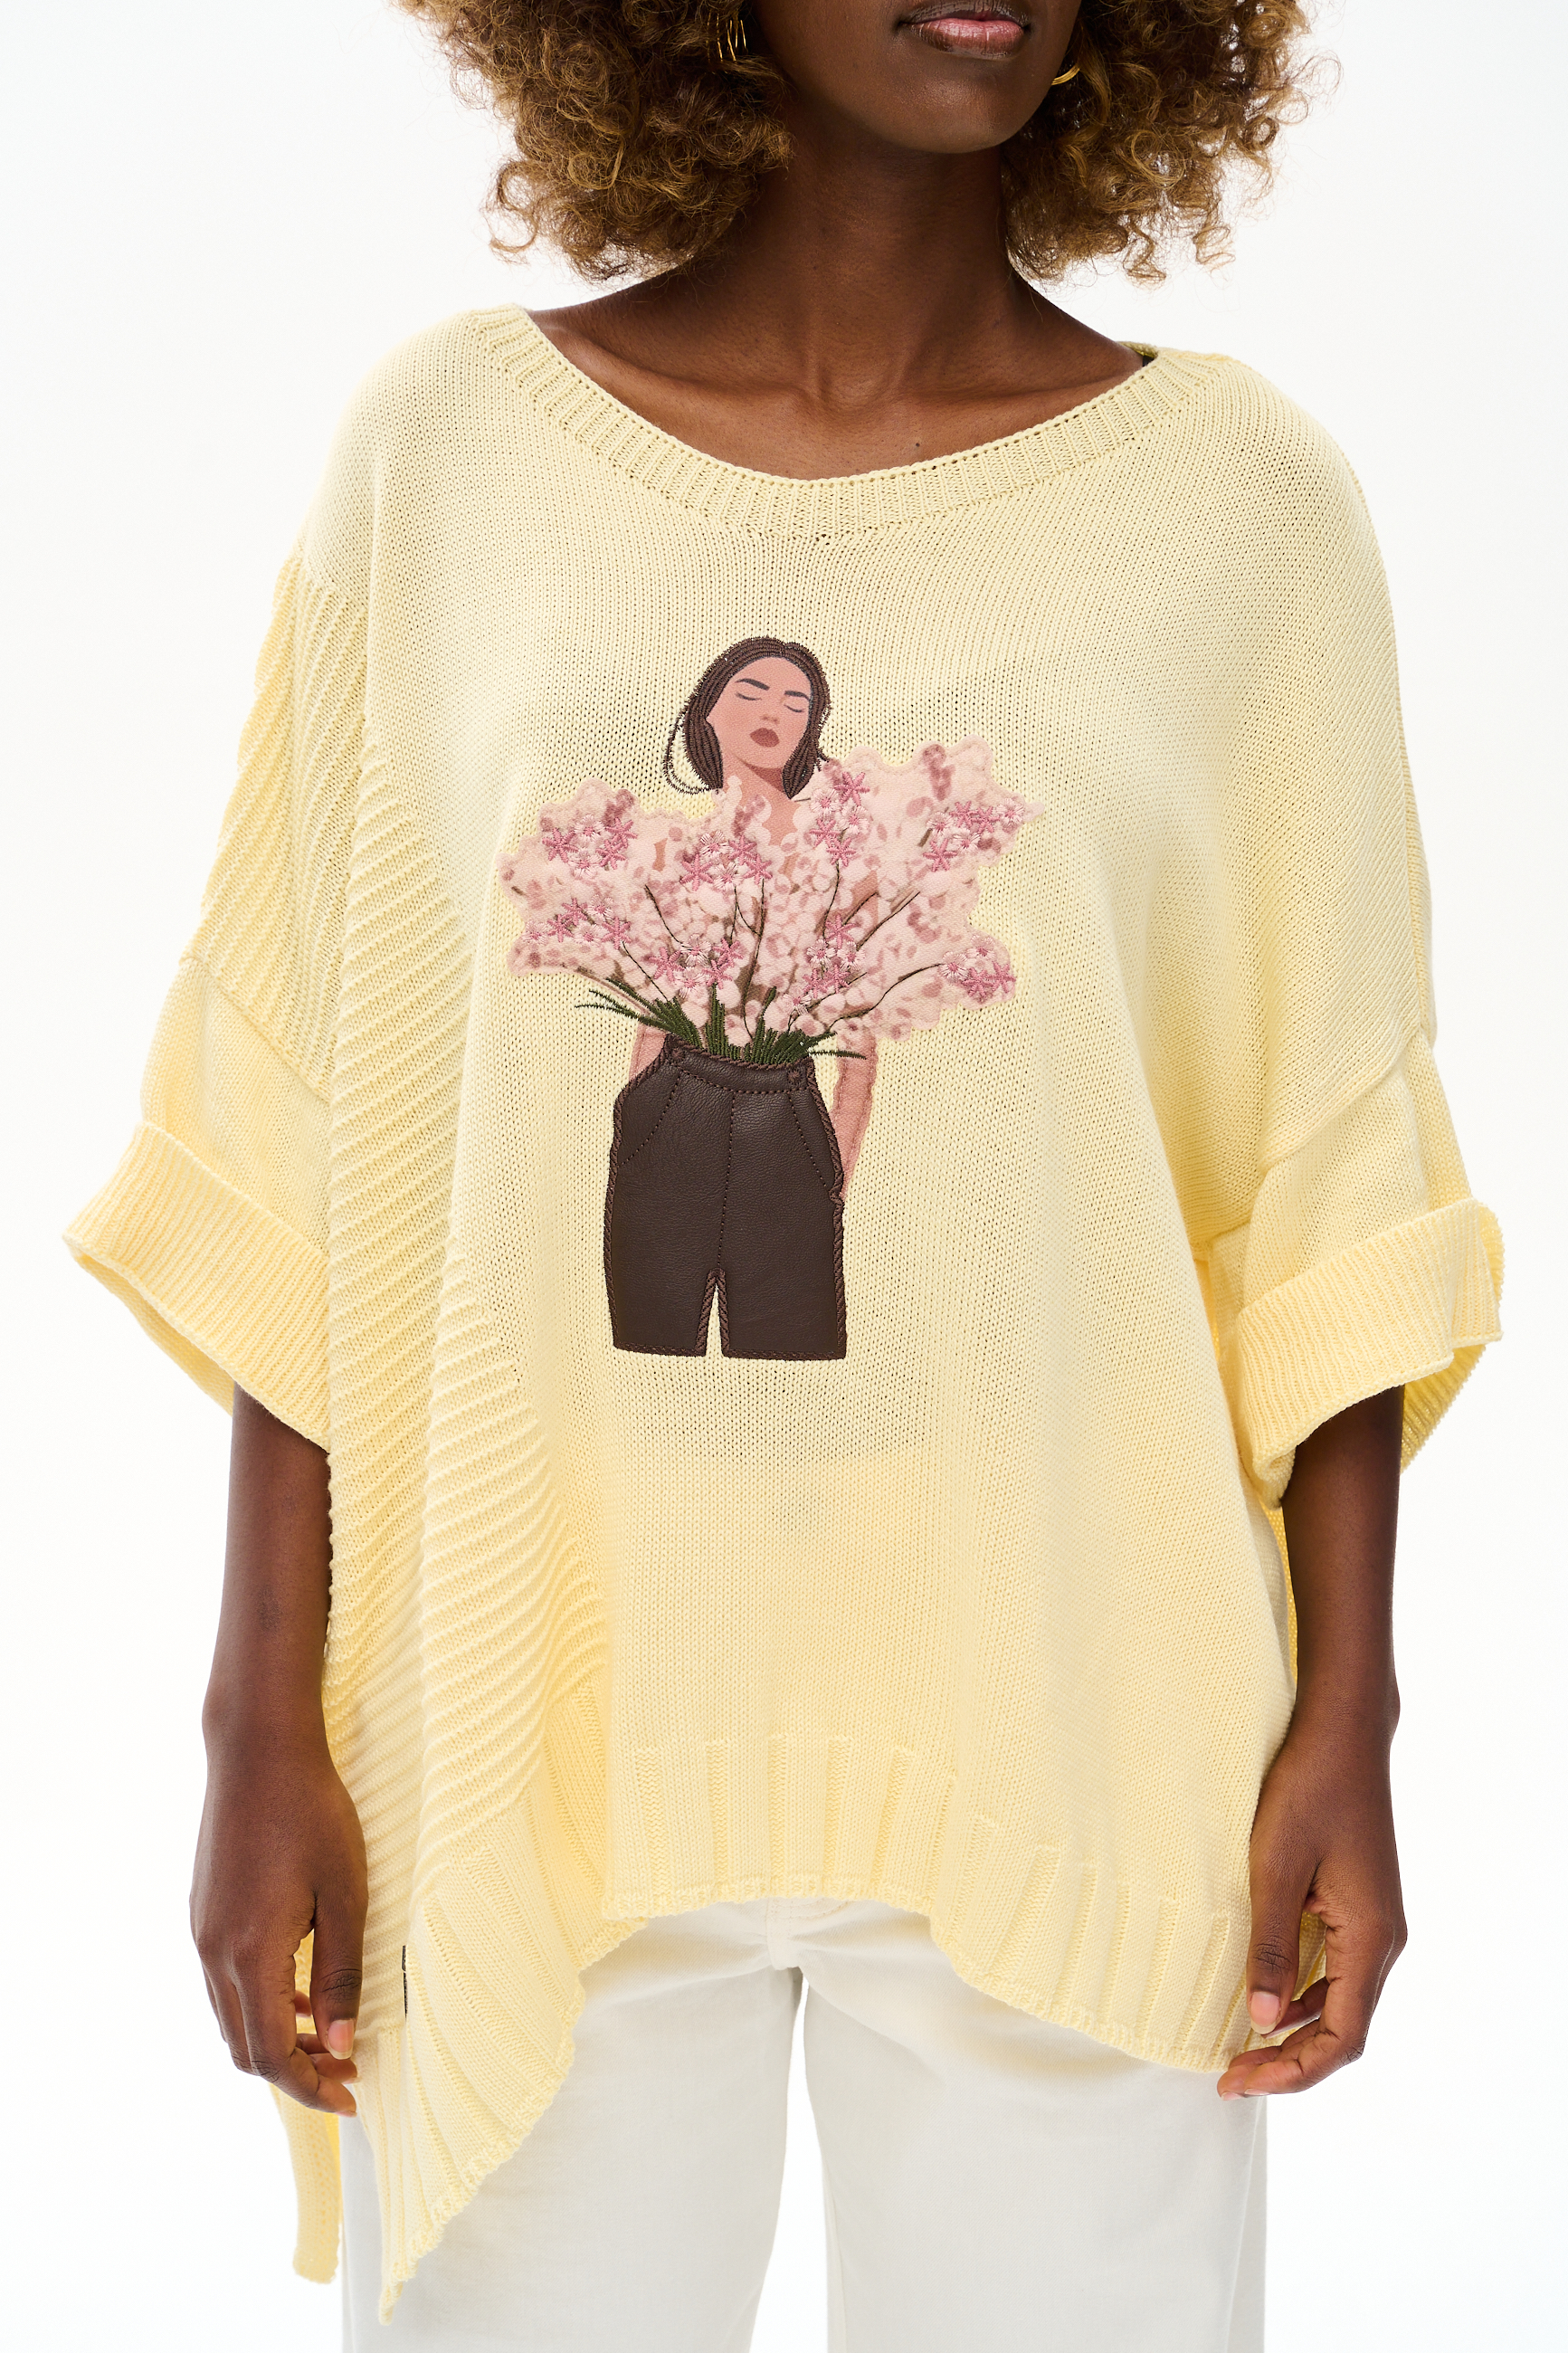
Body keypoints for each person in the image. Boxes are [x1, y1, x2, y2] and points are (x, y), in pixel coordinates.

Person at [64, 4, 1503, 2348]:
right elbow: (313, 1130)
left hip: (1073, 1705)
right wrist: (261, 1715)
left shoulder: (1244, 509)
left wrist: (1357, 1714)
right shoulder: (448, 459)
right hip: (534, 1711)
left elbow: (1325, 1167)